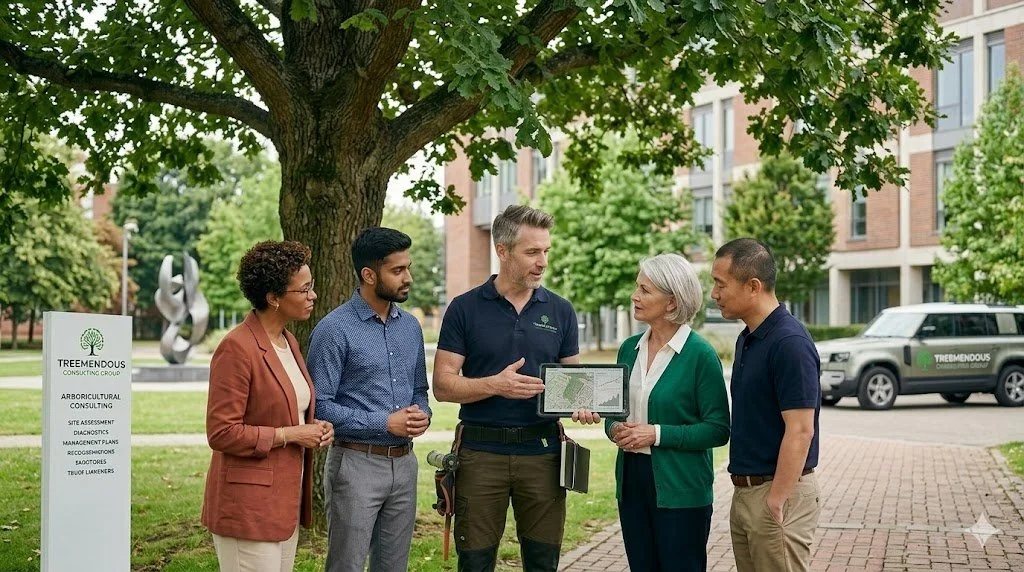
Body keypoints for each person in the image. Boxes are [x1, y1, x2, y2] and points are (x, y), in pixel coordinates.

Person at [433, 204, 580, 572]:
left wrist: (586, 404)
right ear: (502, 250)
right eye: (532, 252)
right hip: (481, 456)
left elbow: (576, 384)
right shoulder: (464, 309)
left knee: (543, 561)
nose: (542, 261)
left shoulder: (561, 311)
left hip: (544, 454)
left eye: (546, 250)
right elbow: (443, 386)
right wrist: (495, 385)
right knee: (476, 563)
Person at [574, 253, 730, 571]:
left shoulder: (700, 355)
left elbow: (718, 429)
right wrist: (612, 427)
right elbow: (616, 413)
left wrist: (655, 433)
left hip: (682, 489)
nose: (635, 296)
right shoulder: (628, 349)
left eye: (645, 290)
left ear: (671, 302)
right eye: (637, 287)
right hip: (632, 483)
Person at [202, 240, 334, 572]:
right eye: (303, 290)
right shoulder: (236, 348)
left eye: (312, 287)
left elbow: (290, 408)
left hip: (282, 504)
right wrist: (291, 434)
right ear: (273, 298)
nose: (312, 296)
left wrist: (315, 429)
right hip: (247, 507)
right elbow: (222, 433)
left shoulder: (288, 341)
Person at [308, 227, 431, 572]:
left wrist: (422, 413)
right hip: (355, 465)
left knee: (394, 567)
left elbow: (419, 389)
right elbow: (319, 406)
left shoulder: (410, 327)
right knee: (346, 565)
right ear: (368, 274)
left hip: (405, 465)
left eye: (408, 267)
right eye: (397, 270)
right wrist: (384, 422)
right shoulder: (333, 330)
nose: (407, 277)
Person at [710, 238, 821, 572]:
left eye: (720, 284)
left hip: (777, 493)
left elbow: (801, 431)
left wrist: (776, 499)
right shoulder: (749, 337)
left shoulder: (789, 343)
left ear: (753, 286)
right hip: (746, 492)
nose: (714, 294)